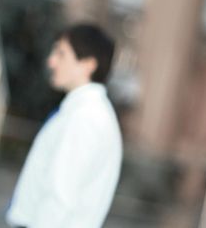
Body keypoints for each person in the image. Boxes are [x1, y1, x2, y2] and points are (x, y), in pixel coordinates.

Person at [6, 23, 122, 228]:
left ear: (88, 64)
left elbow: (60, 196)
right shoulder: (83, 112)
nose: (51, 61)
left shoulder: (86, 118)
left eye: (61, 54)